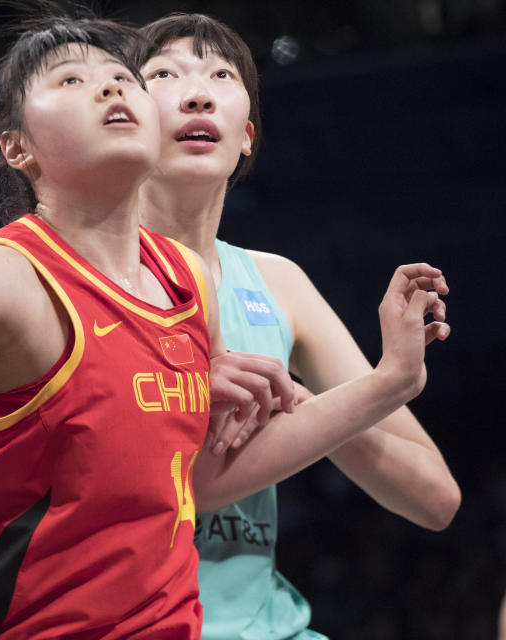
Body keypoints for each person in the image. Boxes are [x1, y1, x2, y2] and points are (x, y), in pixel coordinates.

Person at [0, 6, 448, 638]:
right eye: (71, 81)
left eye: (118, 79)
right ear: (17, 147)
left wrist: (387, 380)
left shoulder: (183, 282)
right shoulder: (2, 279)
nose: (107, 88)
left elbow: (203, 481)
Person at [130, 13, 461, 639]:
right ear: (125, 120)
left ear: (247, 135)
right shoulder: (81, 278)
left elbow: (436, 498)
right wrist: (382, 385)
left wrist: (306, 410)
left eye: (221, 75)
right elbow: (162, 489)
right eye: (166, 74)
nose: (198, 92)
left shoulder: (277, 283)